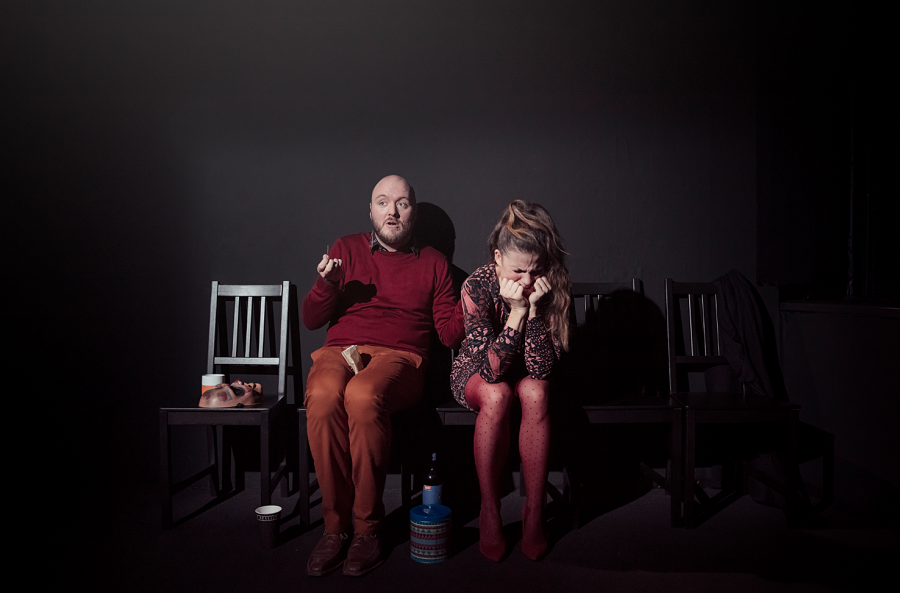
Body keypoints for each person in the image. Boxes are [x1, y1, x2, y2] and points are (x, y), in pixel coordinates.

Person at [301, 175, 464, 577]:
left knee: (361, 395)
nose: (392, 211)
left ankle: (367, 530)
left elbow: (448, 334)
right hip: (341, 351)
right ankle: (335, 529)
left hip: (401, 357)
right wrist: (326, 284)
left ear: (413, 213)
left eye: (402, 203)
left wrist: (473, 305)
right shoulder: (345, 248)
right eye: (383, 202)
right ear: (370, 211)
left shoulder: (434, 262)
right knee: (322, 395)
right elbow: (311, 320)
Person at [449, 200, 570, 561]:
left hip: (526, 372)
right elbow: (490, 372)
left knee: (536, 392)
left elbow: (542, 369)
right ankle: (490, 508)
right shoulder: (477, 285)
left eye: (536, 270)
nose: (528, 282)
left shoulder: (551, 286)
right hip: (478, 370)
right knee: (497, 394)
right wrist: (515, 313)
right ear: (498, 258)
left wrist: (532, 312)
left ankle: (534, 511)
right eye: (518, 271)